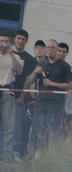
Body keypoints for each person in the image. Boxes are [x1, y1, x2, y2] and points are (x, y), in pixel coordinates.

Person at [25, 39, 72, 157]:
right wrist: (34, 72)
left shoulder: (64, 66)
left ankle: (48, 157)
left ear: (57, 50)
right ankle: (33, 157)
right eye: (48, 47)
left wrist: (53, 84)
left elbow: (71, 84)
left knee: (51, 132)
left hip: (55, 104)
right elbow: (29, 81)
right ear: (45, 49)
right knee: (36, 131)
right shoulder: (42, 64)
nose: (50, 50)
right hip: (40, 103)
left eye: (53, 47)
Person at [11, 30, 36, 161]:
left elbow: (28, 80)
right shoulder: (4, 54)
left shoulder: (29, 59)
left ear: (26, 41)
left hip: (18, 96)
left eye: (23, 39)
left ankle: (15, 152)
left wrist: (22, 97)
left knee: (17, 126)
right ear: (14, 39)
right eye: (18, 38)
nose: (20, 41)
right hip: (4, 93)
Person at [0, 32, 22, 161]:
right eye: (1, 41)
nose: (3, 43)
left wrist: (11, 53)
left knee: (9, 125)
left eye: (5, 41)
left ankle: (7, 155)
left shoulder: (15, 56)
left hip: (8, 91)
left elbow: (19, 70)